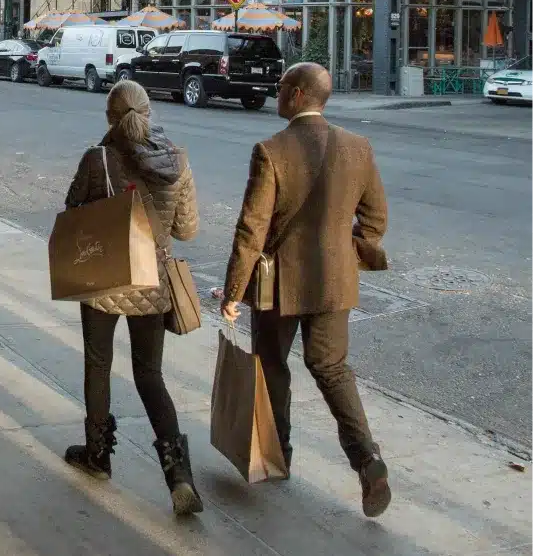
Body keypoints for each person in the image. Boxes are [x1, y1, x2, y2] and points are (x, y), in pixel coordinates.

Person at [220, 62, 391, 519]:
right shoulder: (358, 148)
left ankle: (280, 457)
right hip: (336, 282)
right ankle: (369, 461)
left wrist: (233, 291)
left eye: (280, 87)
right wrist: (345, 250)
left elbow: (251, 230)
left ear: (297, 95)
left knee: (272, 365)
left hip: (280, 284)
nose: (275, 93)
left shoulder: (271, 151)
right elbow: (375, 219)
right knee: (332, 368)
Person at [62, 80, 201, 516]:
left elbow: (71, 214)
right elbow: (187, 230)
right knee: (150, 376)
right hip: (153, 285)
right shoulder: (177, 161)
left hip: (104, 280)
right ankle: (179, 475)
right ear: (149, 112)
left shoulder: (97, 158)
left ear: (109, 117)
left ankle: (98, 455)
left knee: (98, 366)